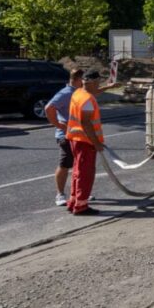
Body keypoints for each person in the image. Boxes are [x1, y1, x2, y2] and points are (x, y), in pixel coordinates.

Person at [65, 70, 106, 216]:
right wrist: (96, 143)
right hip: (85, 141)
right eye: (98, 82)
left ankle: (73, 201)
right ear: (92, 82)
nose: (99, 85)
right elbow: (86, 122)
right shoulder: (87, 99)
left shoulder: (78, 93)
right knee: (85, 174)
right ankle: (81, 206)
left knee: (78, 171)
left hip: (75, 139)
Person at [44, 69, 85, 206]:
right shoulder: (66, 93)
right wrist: (58, 125)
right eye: (84, 80)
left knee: (79, 165)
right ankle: (60, 194)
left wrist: (108, 87)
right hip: (66, 136)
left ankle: (79, 193)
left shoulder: (79, 92)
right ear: (79, 80)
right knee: (65, 164)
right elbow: (49, 108)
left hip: (79, 136)